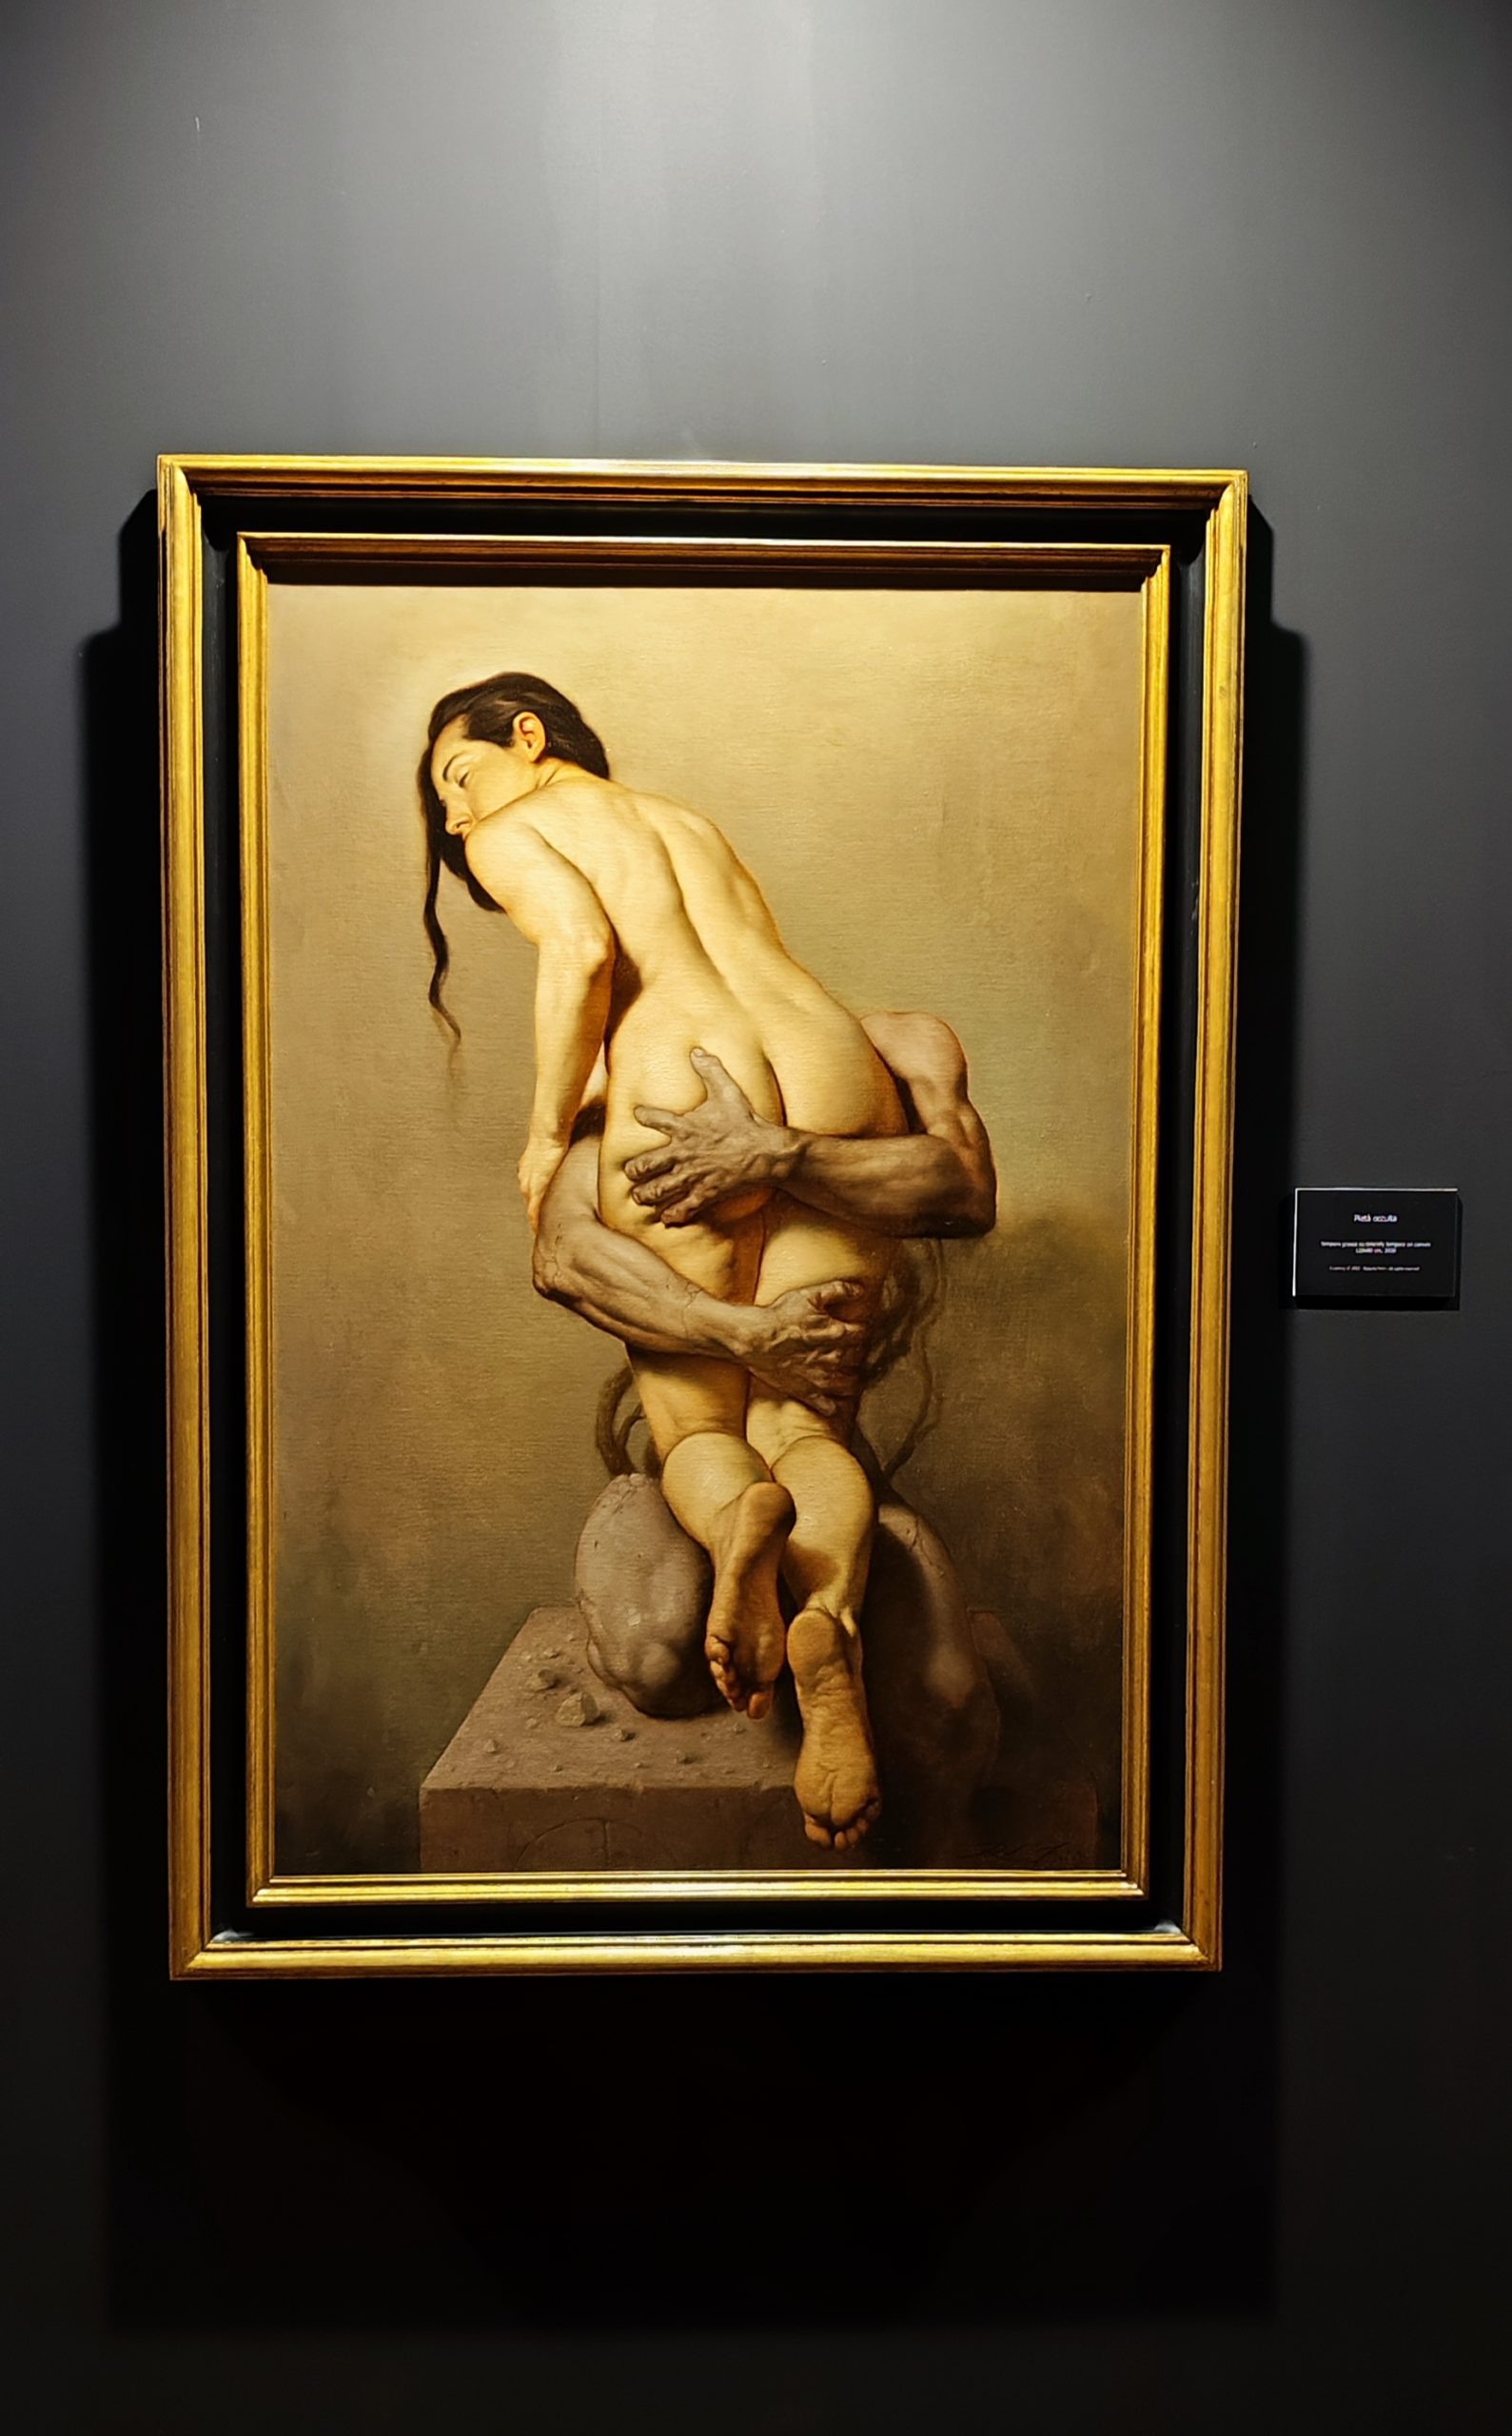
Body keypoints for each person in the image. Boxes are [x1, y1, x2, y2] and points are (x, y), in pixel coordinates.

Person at [419, 673, 985, 1847]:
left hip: (680, 1066)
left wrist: (544, 1132)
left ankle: (738, 1528)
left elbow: (583, 951)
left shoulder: (517, 827)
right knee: (807, 1423)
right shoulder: (686, 822)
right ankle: (828, 1616)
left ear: (527, 737)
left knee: (698, 1431)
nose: (458, 817)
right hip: (822, 1057)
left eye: (459, 778)